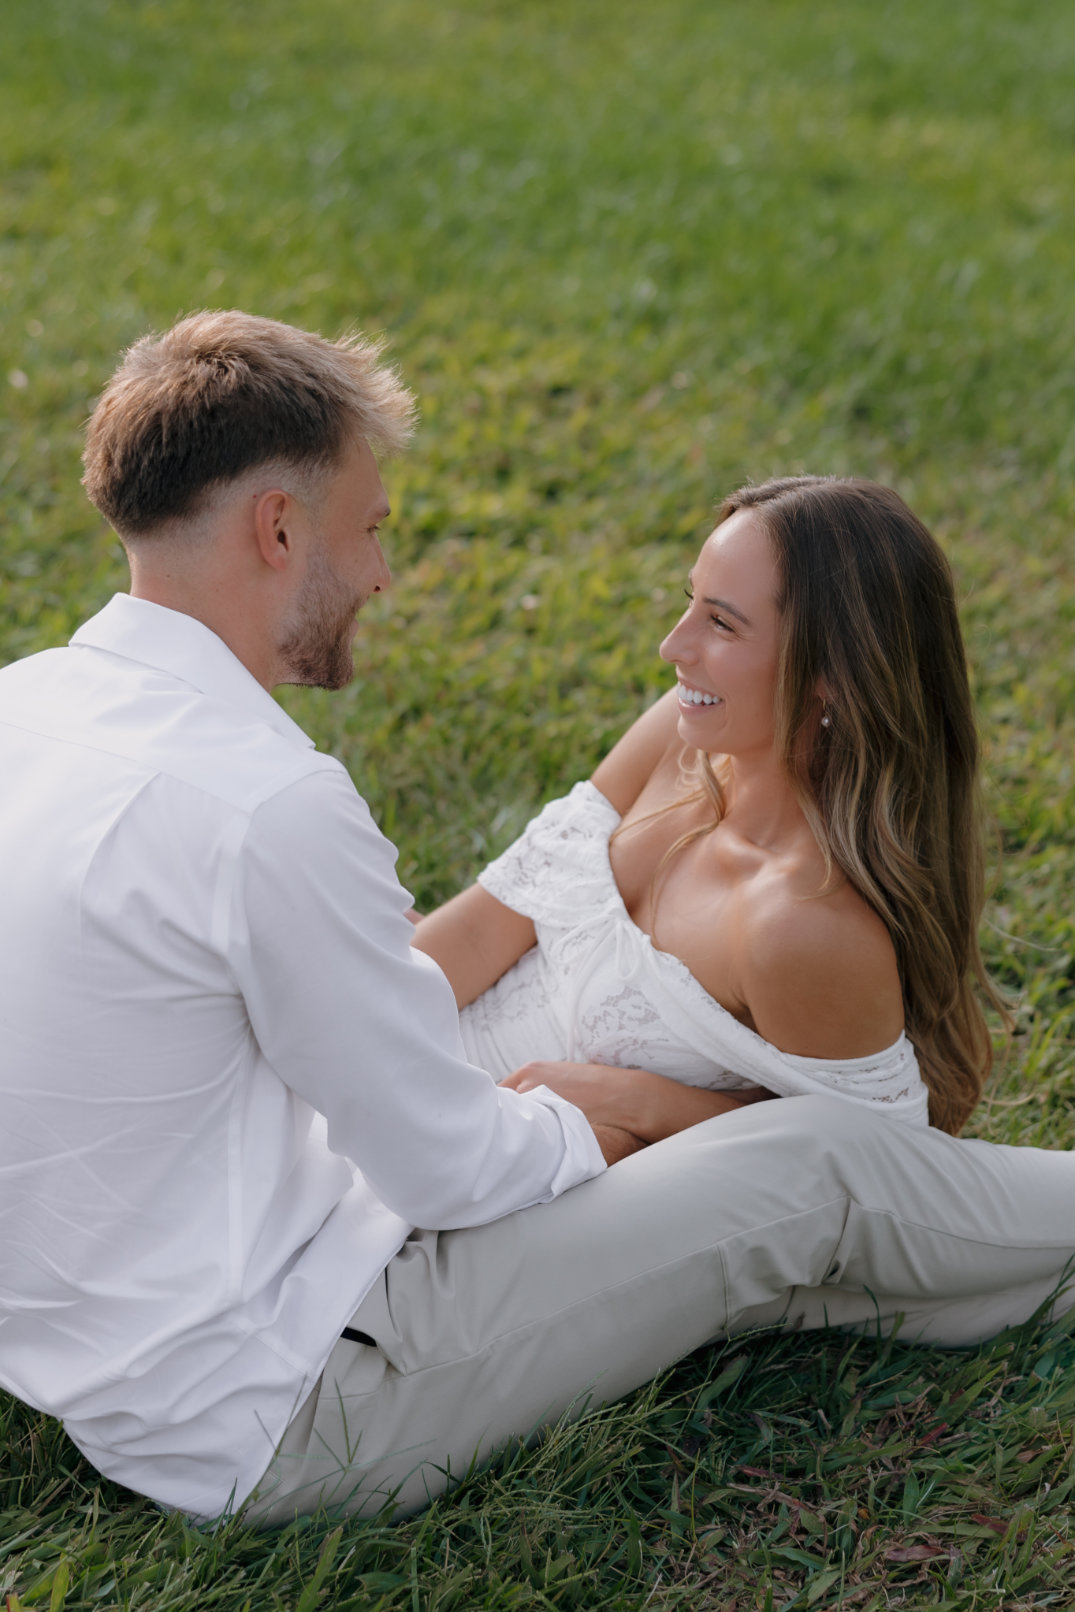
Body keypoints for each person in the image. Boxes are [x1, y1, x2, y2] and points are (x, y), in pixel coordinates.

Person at [0, 313, 1071, 1532]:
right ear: (279, 529)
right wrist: (607, 1109)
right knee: (814, 1173)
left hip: (105, 1342)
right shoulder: (267, 806)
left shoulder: (20, 708)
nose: (382, 571)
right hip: (284, 1404)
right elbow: (455, 1169)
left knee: (752, 1229)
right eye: (371, 529)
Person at [413, 476, 1004, 1142]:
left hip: (468, 1178)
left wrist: (645, 1104)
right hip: (405, 1075)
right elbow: (483, 927)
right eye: (689, 601)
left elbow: (874, 1168)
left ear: (833, 673)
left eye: (721, 622)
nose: (672, 645)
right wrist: (344, 1029)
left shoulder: (800, 926)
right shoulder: (682, 738)